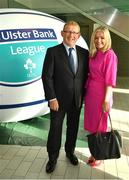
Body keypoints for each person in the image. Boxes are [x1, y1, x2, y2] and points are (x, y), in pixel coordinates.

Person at [42, 21, 89, 173]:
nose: (71, 35)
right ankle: (52, 158)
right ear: (62, 33)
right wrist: (52, 98)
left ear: (79, 35)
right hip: (58, 101)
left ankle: (70, 152)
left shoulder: (84, 53)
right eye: (68, 31)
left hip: (76, 100)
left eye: (75, 32)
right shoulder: (53, 52)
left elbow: (85, 77)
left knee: (73, 128)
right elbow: (46, 76)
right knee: (55, 129)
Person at [84, 26, 118, 167]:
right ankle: (94, 151)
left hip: (102, 94)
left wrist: (106, 99)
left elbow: (110, 80)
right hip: (91, 93)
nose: (99, 40)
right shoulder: (94, 53)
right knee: (93, 125)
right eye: (96, 38)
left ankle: (99, 154)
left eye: (102, 38)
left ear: (107, 39)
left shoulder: (110, 55)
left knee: (101, 126)